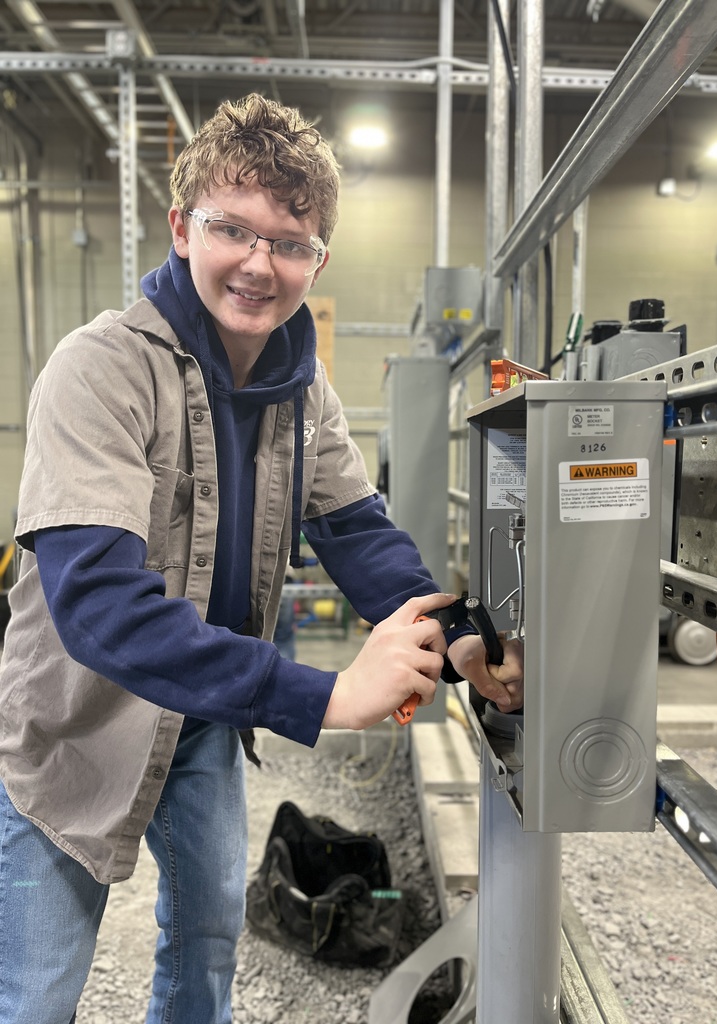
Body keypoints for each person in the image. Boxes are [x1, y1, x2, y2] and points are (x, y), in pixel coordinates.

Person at [0, 93, 523, 1024]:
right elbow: (99, 610)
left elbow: (355, 526)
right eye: (231, 230)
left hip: (203, 714)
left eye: (291, 242)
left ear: (319, 257)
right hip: (73, 723)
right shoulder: (99, 371)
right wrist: (320, 696)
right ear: (180, 226)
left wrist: (453, 634)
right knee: (37, 990)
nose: (259, 263)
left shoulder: (301, 384)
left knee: (207, 941)